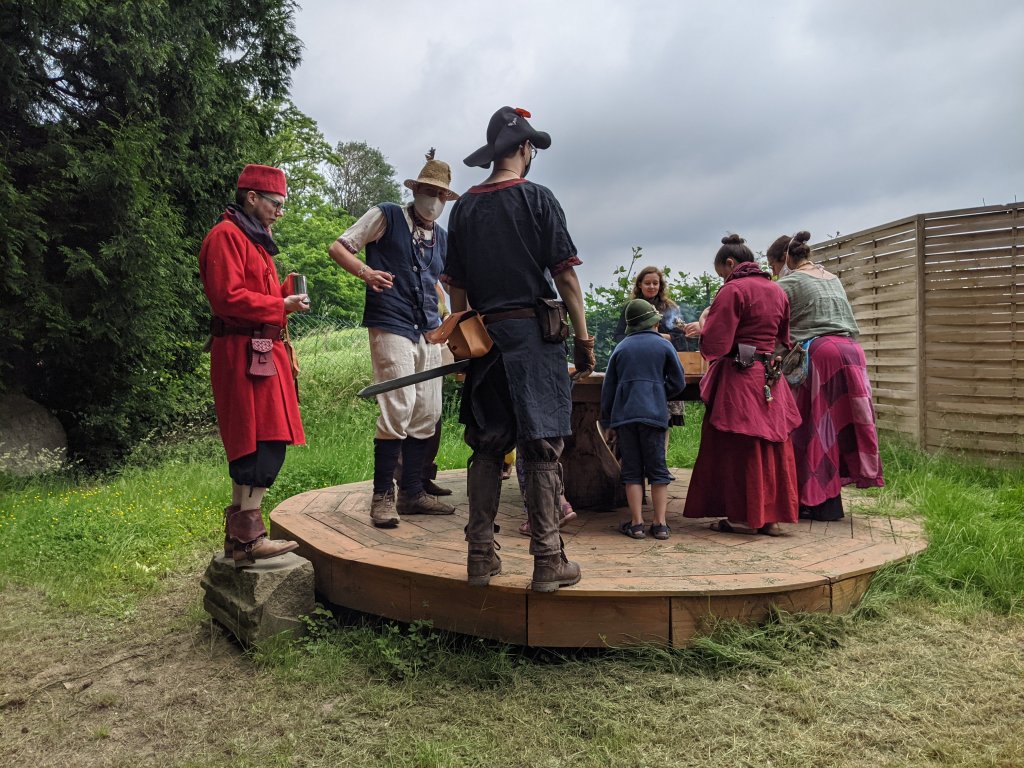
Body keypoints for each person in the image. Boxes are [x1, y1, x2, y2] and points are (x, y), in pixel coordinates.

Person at [443, 106, 596, 592]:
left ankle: (480, 557)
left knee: (488, 446)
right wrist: (584, 340)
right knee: (541, 447)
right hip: (534, 339)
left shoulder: (463, 208)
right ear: (526, 149)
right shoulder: (538, 198)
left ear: (495, 153)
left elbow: (456, 289)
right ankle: (548, 560)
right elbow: (565, 278)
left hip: (486, 342)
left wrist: (469, 341)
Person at [328, 150, 458, 527]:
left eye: (442, 195)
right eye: (429, 191)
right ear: (416, 190)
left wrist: (452, 321)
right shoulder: (386, 215)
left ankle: (412, 492)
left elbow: (444, 283)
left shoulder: (442, 239)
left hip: (429, 331)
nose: (435, 200)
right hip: (391, 321)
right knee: (398, 406)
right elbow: (339, 247)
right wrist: (366, 272)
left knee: (428, 411)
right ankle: (382, 495)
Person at [199, 163, 307, 566]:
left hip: (258, 351)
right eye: (275, 203)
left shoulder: (254, 238)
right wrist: (280, 304)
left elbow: (253, 296)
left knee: (260, 438)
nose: (280, 211)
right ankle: (249, 539)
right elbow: (227, 297)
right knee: (259, 440)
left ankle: (240, 539)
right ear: (251, 197)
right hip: (243, 353)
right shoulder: (226, 236)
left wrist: (283, 295)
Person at [682, 235, 802, 536]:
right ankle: (771, 519)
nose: (723, 279)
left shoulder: (733, 290)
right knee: (773, 446)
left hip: (739, 378)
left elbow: (717, 343)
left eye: (722, 273)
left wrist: (704, 326)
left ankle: (742, 519)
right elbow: (783, 337)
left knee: (740, 446)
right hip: (770, 376)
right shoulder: (776, 291)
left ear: (730, 263)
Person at [766, 231, 884, 521]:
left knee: (810, 427)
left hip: (821, 355)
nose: (774, 273)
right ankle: (828, 502)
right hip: (852, 353)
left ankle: (813, 500)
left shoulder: (790, 281)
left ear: (785, 259)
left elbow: (766, 317)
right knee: (838, 427)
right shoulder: (832, 277)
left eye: (773, 266)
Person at [601, 299, 686, 540]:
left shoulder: (621, 348)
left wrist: (607, 422)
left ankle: (637, 524)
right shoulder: (664, 345)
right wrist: (658, 392)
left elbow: (608, 388)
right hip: (654, 416)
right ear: (654, 323)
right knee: (658, 470)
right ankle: (660, 524)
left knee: (632, 471)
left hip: (626, 418)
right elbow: (678, 381)